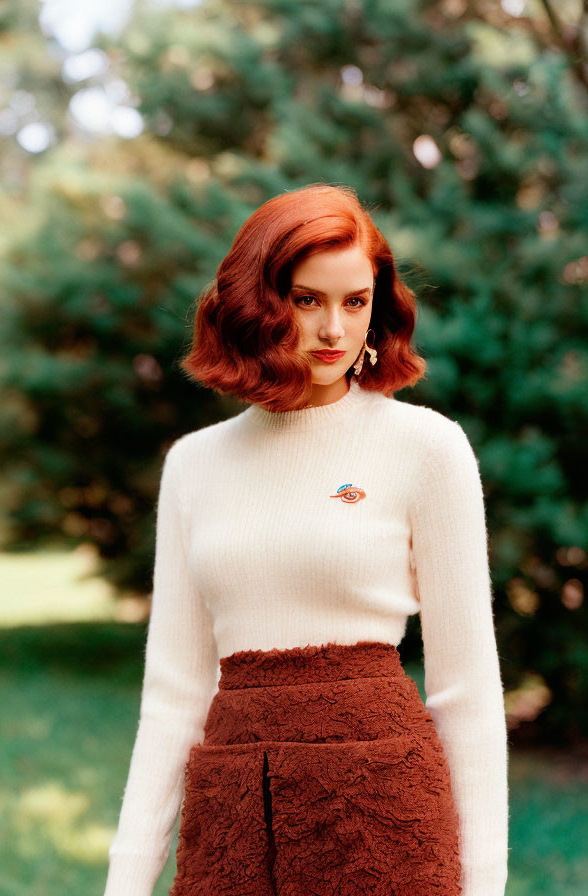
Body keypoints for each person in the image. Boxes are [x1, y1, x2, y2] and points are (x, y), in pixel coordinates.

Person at [102, 183, 509, 896]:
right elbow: (174, 696)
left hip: (387, 815)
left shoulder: (427, 449)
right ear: (257, 303)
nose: (333, 331)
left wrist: (483, 886)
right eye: (305, 299)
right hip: (233, 815)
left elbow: (467, 691)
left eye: (355, 301)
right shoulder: (193, 465)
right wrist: (126, 882)